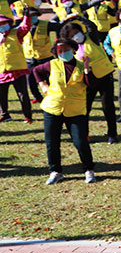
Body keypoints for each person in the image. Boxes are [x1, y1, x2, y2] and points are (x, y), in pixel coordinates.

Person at [32, 39, 96, 184]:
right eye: (60, 50)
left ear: (73, 50)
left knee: (80, 141)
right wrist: (42, 85)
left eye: (66, 49)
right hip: (53, 108)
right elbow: (36, 71)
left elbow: (91, 84)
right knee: (52, 142)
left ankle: (89, 169)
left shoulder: (81, 65)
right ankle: (55, 171)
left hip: (75, 110)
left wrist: (87, 68)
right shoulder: (52, 64)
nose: (63, 52)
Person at [61, 21, 118, 144]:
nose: (76, 36)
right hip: (87, 80)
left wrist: (79, 17)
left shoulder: (91, 38)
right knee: (85, 109)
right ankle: (84, 135)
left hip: (104, 76)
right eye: (72, 36)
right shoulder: (71, 48)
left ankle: (112, 134)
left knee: (107, 106)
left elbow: (91, 26)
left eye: (76, 32)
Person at [0, 13, 33, 123]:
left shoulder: (16, 33)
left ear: (9, 23)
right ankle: (4, 115)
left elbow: (26, 27)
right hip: (2, 72)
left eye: (4, 23)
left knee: (22, 94)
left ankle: (28, 116)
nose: (2, 25)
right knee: (1, 95)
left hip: (17, 70)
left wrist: (26, 16)